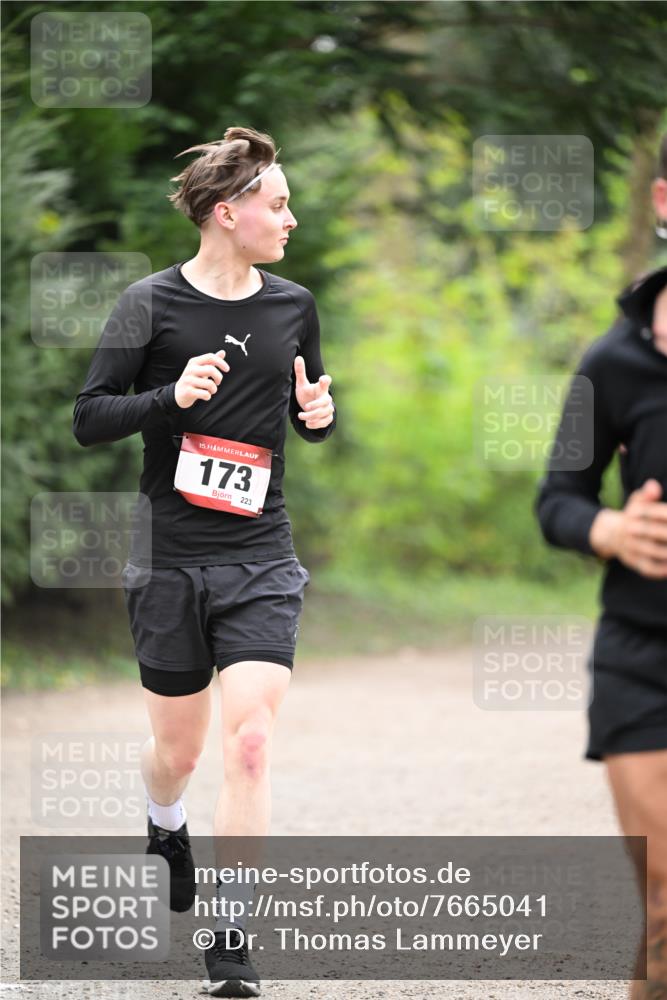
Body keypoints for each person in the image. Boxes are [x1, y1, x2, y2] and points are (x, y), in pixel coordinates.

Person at [72, 126, 337, 997]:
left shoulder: (292, 306)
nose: (290, 218)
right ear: (228, 213)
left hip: (260, 551)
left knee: (252, 742)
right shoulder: (147, 305)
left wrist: (317, 415)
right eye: (277, 203)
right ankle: (164, 819)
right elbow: (90, 416)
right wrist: (167, 398)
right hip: (169, 555)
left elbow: (305, 411)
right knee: (177, 752)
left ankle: (230, 937)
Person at [535, 134, 667, 999]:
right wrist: (610, 531)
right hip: (640, 652)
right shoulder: (611, 362)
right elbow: (557, 499)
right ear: (661, 203)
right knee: (665, 900)